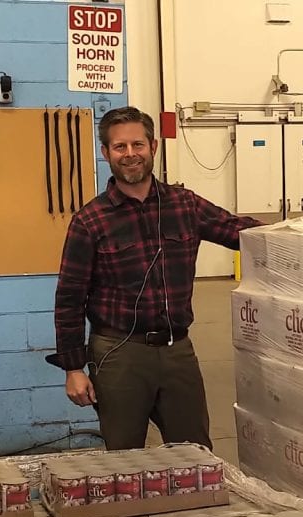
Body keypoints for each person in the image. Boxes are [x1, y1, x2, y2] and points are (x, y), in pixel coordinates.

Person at [49, 106, 260, 451]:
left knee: (195, 453)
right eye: (120, 147)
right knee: (125, 456)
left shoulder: (184, 204)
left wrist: (298, 235)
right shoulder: (90, 222)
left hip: (178, 351)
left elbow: (239, 232)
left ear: (153, 147)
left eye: (138, 145)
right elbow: (69, 300)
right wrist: (73, 368)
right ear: (106, 153)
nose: (130, 154)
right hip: (118, 354)